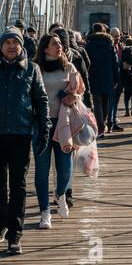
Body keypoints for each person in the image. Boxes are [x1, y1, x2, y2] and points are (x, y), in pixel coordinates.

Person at [0, 26, 49, 254]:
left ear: (22, 46)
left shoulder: (32, 69)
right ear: (1, 46)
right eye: (7, 43)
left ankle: (15, 234)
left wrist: (44, 129)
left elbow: (41, 101)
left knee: (18, 185)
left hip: (21, 135)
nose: (12, 47)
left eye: (16, 43)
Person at [33, 33, 84, 228]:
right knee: (42, 169)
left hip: (64, 123)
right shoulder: (36, 68)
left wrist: (74, 97)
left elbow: (80, 90)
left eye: (60, 44)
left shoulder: (69, 67)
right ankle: (45, 212)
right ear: (45, 48)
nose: (60, 46)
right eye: (55, 44)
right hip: (41, 124)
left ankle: (60, 194)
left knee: (65, 169)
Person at [48, 23, 92, 212]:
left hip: (68, 115)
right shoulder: (78, 56)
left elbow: (82, 85)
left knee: (58, 159)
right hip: (67, 115)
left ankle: (62, 191)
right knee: (68, 156)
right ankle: (65, 191)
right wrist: (87, 108)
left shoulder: (72, 62)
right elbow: (86, 83)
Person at [84, 21, 119, 136]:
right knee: (105, 102)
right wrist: (116, 79)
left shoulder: (88, 45)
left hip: (93, 76)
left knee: (97, 102)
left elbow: (86, 63)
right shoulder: (110, 44)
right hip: (108, 77)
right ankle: (102, 123)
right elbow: (115, 63)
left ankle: (100, 127)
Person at [107, 27, 124, 132]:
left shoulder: (120, 46)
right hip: (112, 79)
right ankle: (110, 123)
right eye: (115, 36)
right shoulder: (109, 47)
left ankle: (114, 121)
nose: (118, 38)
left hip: (120, 78)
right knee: (111, 102)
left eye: (118, 36)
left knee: (116, 102)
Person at [119, 36, 132, 117]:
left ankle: (127, 111)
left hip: (125, 74)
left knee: (126, 93)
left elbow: (121, 61)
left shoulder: (123, 50)